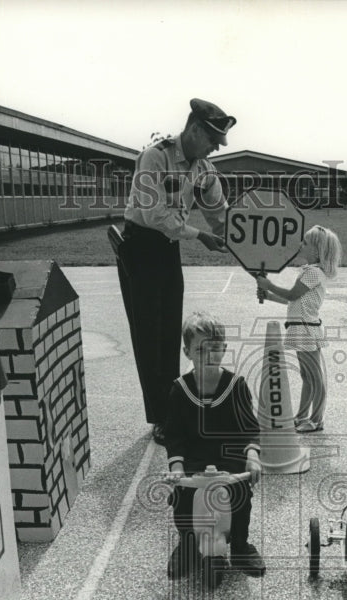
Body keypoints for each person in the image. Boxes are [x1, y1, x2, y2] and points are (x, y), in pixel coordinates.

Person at [116, 98, 235, 446]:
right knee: (149, 337)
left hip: (168, 250)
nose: (215, 148)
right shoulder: (156, 157)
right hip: (140, 247)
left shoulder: (203, 169)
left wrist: (243, 240)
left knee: (170, 334)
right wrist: (201, 236)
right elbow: (154, 217)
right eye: (213, 140)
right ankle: (161, 419)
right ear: (195, 129)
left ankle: (170, 409)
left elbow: (220, 213)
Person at [164, 312, 266, 588]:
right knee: (183, 497)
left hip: (229, 457)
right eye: (200, 349)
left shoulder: (235, 386)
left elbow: (249, 427)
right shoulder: (180, 389)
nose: (207, 354)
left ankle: (241, 546)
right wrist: (176, 467)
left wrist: (252, 456)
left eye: (214, 348)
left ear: (223, 349)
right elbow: (173, 434)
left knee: (240, 495)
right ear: (187, 352)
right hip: (195, 459)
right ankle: (187, 543)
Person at [255, 225, 341, 433]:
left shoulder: (313, 272)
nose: (301, 245)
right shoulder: (310, 272)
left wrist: (269, 285)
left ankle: (316, 420)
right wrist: (269, 296)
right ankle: (302, 416)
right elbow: (294, 302)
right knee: (307, 377)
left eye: (305, 242)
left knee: (315, 377)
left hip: (306, 329)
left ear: (316, 249)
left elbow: (293, 295)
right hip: (301, 327)